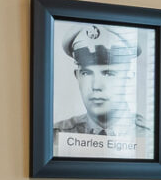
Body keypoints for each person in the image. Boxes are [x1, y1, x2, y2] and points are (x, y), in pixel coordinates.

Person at [54, 24, 147, 156]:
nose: (96, 85)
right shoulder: (58, 136)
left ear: (129, 76)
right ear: (77, 76)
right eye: (86, 73)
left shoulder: (150, 138)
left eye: (108, 73)